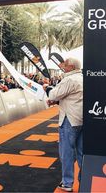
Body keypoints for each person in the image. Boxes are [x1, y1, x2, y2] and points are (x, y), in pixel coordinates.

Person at [44, 57, 83, 192]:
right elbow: (71, 97)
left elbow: (54, 94)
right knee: (81, 153)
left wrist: (47, 89)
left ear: (71, 67)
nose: (62, 66)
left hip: (69, 119)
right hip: (81, 119)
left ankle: (67, 183)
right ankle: (84, 181)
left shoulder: (69, 79)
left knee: (66, 153)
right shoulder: (83, 78)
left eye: (65, 64)